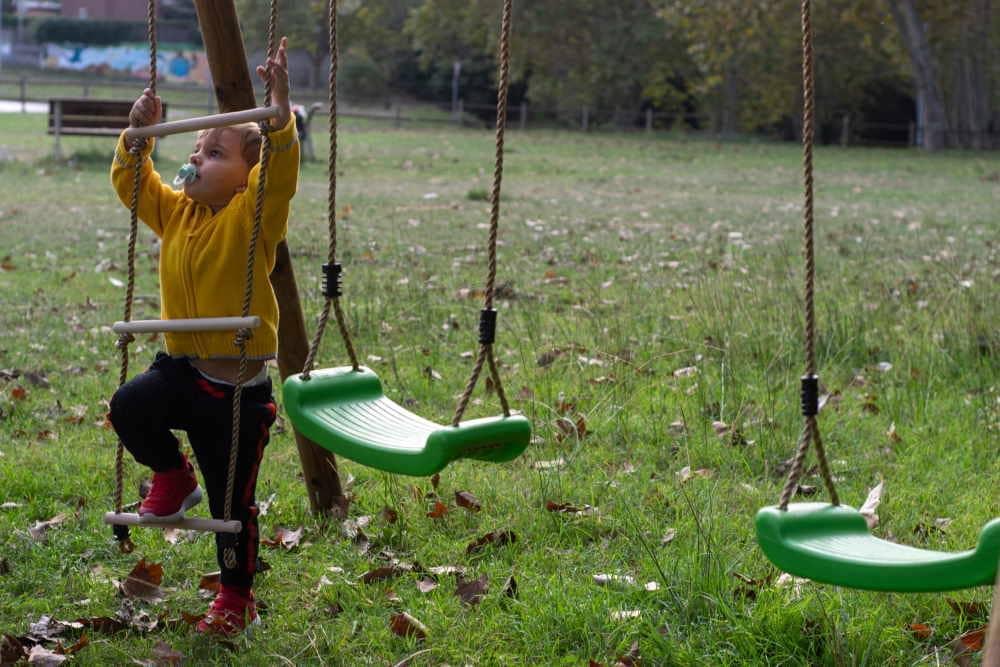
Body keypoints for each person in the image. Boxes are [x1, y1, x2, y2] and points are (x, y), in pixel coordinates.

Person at [107, 37, 298, 636]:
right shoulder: (177, 212)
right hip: (181, 368)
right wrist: (136, 139)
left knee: (232, 503)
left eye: (214, 153)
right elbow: (135, 186)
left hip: (237, 393)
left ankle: (236, 598)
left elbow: (280, 175)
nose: (195, 160)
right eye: (195, 148)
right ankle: (171, 474)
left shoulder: (251, 216)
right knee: (128, 406)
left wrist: (280, 114)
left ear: (247, 179)